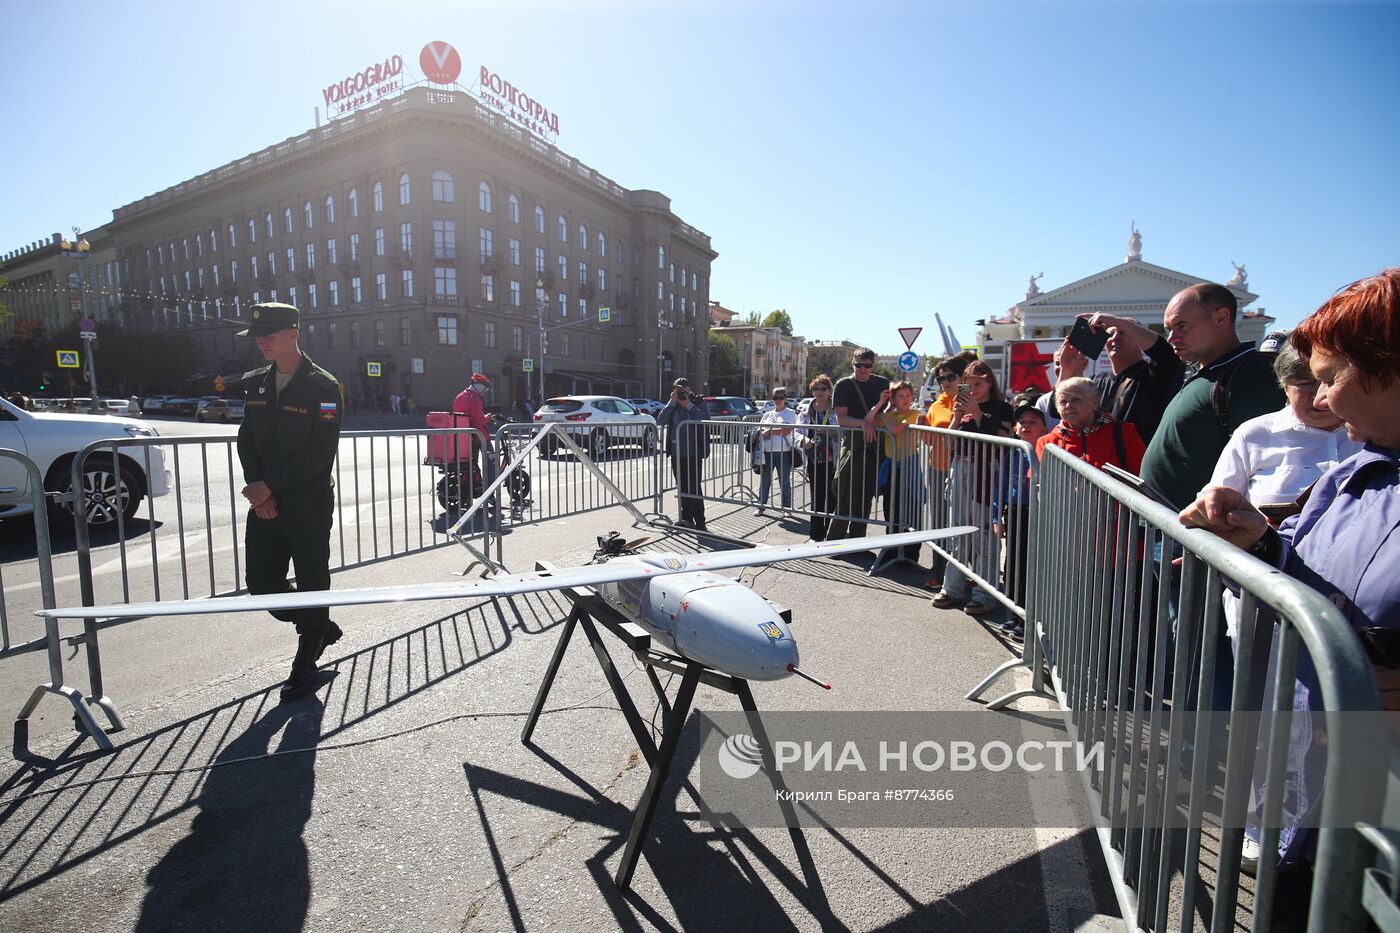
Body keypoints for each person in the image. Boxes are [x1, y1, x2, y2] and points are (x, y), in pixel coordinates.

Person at [1179, 267, 1400, 887]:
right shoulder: (1349, 477)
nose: (1321, 400)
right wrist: (1260, 543)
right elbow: (1302, 569)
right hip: (1311, 797)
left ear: (1386, 367)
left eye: (1331, 379)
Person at [235, 302, 343, 703]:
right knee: (263, 587)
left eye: (271, 334)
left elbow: (320, 453)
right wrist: (256, 486)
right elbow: (247, 438)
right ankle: (319, 627)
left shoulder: (324, 387)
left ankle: (305, 664)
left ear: (294, 334)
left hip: (307, 504)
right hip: (265, 502)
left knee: (312, 580)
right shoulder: (256, 384)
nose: (262, 342)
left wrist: (270, 487)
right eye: (258, 336)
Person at [932, 359, 1014, 616]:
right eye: (969, 383)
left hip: (986, 471)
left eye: (978, 383)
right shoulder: (962, 406)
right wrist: (957, 417)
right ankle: (952, 588)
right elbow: (949, 443)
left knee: (984, 537)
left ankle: (984, 594)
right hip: (959, 467)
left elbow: (1002, 440)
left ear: (989, 381)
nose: (973, 388)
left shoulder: (1002, 408)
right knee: (958, 532)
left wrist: (978, 413)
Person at [1074, 311, 1186, 444]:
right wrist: (1067, 367)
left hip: (1139, 460)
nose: (1115, 338)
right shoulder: (1096, 381)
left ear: (1140, 340)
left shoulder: (1153, 375)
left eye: (1122, 332)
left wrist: (1118, 321)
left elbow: (1167, 355)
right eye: (1110, 334)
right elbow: (1057, 408)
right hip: (1100, 461)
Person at [990, 397, 1048, 638]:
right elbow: (999, 487)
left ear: (1044, 427)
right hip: (1014, 512)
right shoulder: (1012, 455)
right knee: (1013, 564)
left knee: (1032, 566)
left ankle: (1029, 617)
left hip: (1038, 513)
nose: (1026, 425)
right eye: (1021, 422)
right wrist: (996, 516)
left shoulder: (1050, 452)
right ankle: (1015, 613)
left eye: (1032, 421)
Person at [924, 351, 979, 587]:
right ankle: (939, 570)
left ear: (962, 377)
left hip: (968, 471)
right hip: (938, 469)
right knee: (939, 523)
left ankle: (969, 573)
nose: (945, 382)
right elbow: (929, 440)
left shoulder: (973, 400)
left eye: (950, 376)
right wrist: (923, 428)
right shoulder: (936, 404)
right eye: (940, 378)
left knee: (964, 523)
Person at [827, 348, 891, 539]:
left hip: (874, 446)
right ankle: (834, 542)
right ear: (852, 364)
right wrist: (864, 423)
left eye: (867, 366)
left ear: (873, 365)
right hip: (853, 445)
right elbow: (842, 419)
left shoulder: (882, 383)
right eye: (858, 365)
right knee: (846, 495)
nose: (862, 369)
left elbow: (888, 411)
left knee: (865, 497)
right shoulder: (844, 385)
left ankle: (857, 542)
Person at [1035, 376, 1146, 472]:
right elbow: (1038, 485)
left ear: (1095, 402)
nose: (1068, 406)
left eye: (1076, 399)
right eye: (1063, 402)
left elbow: (1139, 478)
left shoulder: (1124, 433)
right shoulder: (1046, 443)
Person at [877, 380, 926, 563]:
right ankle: (891, 551)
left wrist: (888, 416)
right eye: (900, 396)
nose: (905, 399)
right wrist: (884, 405)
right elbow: (870, 420)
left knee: (913, 509)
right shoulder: (889, 415)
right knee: (892, 510)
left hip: (910, 466)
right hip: (892, 467)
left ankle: (910, 555)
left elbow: (895, 429)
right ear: (894, 399)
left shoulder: (915, 413)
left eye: (908, 395)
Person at [656, 380, 709, 530]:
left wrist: (688, 404)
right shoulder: (673, 404)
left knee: (694, 487)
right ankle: (686, 519)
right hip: (677, 453)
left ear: (689, 389)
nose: (680, 392)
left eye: (682, 389)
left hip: (694, 452)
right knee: (682, 487)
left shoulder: (698, 401)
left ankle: (700, 521)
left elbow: (705, 419)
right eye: (677, 390)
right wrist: (672, 402)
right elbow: (660, 420)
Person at [798, 374, 840, 541]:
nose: (819, 391)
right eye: (816, 388)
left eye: (823, 388)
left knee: (831, 497)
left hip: (833, 459)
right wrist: (804, 440)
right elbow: (796, 431)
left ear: (829, 391)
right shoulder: (806, 410)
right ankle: (816, 534)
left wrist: (829, 431)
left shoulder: (835, 408)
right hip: (814, 458)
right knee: (816, 496)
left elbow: (842, 431)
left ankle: (828, 532)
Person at [756, 388, 798, 512]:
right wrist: (771, 431)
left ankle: (787, 508)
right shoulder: (767, 415)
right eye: (775, 398)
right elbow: (761, 433)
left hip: (784, 452)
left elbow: (787, 430)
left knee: (784, 482)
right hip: (766, 453)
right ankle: (761, 506)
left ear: (785, 398)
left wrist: (770, 431)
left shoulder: (790, 413)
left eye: (781, 397)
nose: (778, 400)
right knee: (765, 481)